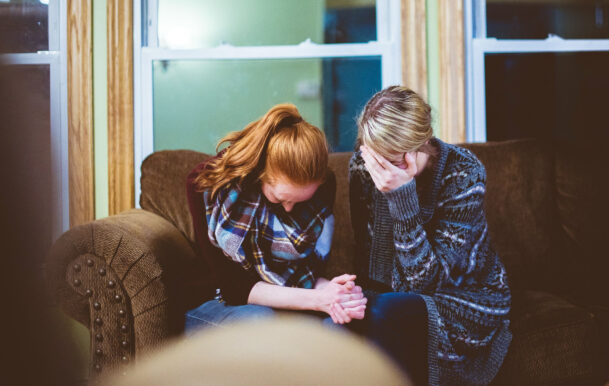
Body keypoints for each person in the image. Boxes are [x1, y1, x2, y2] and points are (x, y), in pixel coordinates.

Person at [348, 86, 513, 385]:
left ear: (422, 143)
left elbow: (423, 285)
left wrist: (402, 197)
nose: (383, 172)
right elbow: (367, 257)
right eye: (377, 159)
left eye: (393, 161)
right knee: (347, 317)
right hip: (393, 295)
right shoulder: (364, 167)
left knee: (387, 312)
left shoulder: (464, 173)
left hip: (466, 296)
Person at [185, 103, 366, 333]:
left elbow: (309, 273)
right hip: (217, 300)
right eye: (280, 199)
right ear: (260, 174)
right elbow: (234, 288)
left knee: (341, 326)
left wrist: (337, 293)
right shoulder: (207, 185)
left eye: (299, 201)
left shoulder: (324, 187)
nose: (289, 209)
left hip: (287, 297)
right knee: (262, 321)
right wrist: (319, 300)